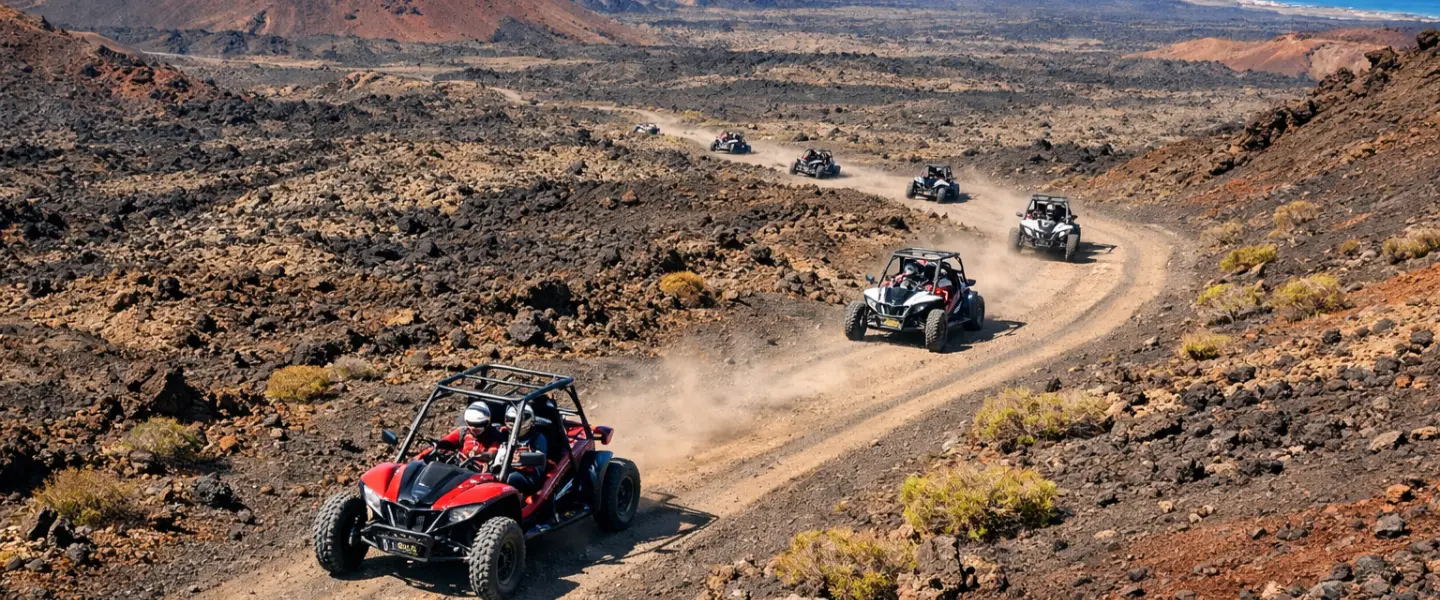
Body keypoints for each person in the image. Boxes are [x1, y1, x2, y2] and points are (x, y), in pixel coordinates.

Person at [497, 404, 549, 495]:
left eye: (515, 421)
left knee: (512, 478)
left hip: (530, 475)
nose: (512, 423)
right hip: (504, 469)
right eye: (510, 420)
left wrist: (522, 458)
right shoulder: (504, 435)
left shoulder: (537, 438)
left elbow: (541, 461)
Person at [435, 402, 504, 468]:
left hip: (480, 472)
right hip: (458, 465)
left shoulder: (495, 435)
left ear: (487, 422)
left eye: (479, 424)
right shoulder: (463, 431)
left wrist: (482, 455)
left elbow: (492, 452)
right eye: (471, 424)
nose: (474, 428)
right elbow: (443, 443)